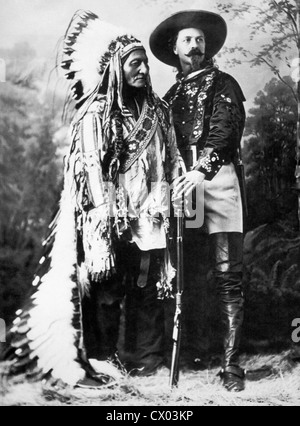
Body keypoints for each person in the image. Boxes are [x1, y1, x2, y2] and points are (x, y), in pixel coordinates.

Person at [5, 11, 180, 388]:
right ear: (117, 67)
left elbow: (168, 162)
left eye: (145, 64)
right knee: (106, 291)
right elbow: (90, 172)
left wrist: (160, 203)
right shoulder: (95, 115)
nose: (143, 71)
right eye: (135, 64)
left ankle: (146, 361)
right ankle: (103, 359)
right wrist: (103, 216)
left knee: (146, 289)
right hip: (107, 216)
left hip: (149, 214)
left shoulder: (159, 113)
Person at [150, 10, 247, 392]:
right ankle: (193, 353)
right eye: (187, 40)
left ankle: (232, 367)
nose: (194, 45)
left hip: (217, 179)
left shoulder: (224, 83)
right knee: (185, 274)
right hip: (182, 187)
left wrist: (201, 170)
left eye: (200, 40)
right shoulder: (169, 97)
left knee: (228, 276)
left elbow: (226, 131)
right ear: (175, 48)